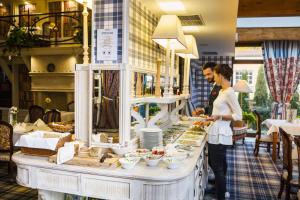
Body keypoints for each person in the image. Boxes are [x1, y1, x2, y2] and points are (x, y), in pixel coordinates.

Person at [208, 64, 242, 200]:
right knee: (217, 164)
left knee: (217, 167)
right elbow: (219, 110)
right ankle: (222, 189)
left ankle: (221, 195)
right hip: (215, 132)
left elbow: (239, 115)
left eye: (215, 75)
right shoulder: (222, 91)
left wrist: (219, 117)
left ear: (220, 75)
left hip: (220, 134)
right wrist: (211, 117)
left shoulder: (229, 92)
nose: (214, 77)